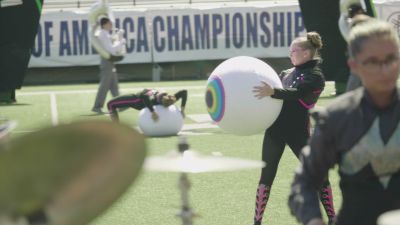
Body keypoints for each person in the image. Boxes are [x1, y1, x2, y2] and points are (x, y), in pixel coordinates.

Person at [288, 19, 400, 225]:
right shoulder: (337, 117)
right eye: (373, 62)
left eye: (391, 59)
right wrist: (313, 219)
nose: (384, 70)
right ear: (354, 66)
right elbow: (303, 182)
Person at [252, 32, 336, 225]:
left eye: (294, 50)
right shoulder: (285, 73)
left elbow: (298, 93)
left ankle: (332, 217)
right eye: (289, 50)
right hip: (275, 131)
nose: (290, 53)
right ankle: (257, 220)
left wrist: (273, 91)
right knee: (266, 175)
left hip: (299, 133)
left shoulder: (316, 76)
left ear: (306, 53)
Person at [92, 17, 126, 114]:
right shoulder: (103, 34)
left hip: (109, 62)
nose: (111, 25)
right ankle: (97, 106)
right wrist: (121, 42)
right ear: (104, 24)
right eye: (109, 23)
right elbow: (111, 49)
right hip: (107, 62)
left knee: (114, 86)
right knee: (104, 86)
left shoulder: (105, 33)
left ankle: (120, 105)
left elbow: (112, 44)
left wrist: (119, 37)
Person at [107, 89, 187, 122]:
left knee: (110, 104)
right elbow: (184, 92)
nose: (171, 95)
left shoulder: (155, 94)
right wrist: (182, 110)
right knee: (116, 106)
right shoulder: (171, 99)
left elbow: (144, 96)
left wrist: (153, 112)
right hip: (143, 103)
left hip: (136, 101)